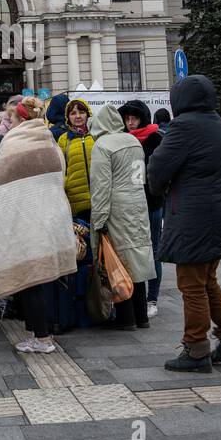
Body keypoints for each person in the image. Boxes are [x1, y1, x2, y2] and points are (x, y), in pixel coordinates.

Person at [148, 76, 221, 374]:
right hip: (217, 214)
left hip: (193, 218)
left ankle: (195, 347)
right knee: (207, 280)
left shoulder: (184, 126)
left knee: (191, 285)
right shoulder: (214, 123)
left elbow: (158, 169)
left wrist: (158, 185)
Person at [0, 96, 75, 355]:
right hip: (48, 217)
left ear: (21, 119)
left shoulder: (15, 142)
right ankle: (38, 332)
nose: (8, 124)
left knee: (30, 281)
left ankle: (42, 339)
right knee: (41, 279)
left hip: (24, 220)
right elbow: (59, 175)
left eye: (10, 119)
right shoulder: (48, 139)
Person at [88, 103, 156, 329]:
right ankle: (142, 316)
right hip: (138, 203)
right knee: (138, 258)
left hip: (116, 207)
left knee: (118, 262)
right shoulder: (133, 141)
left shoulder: (102, 145)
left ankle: (126, 318)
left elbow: (101, 188)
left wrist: (98, 222)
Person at [119, 99, 164, 317]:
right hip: (130, 204)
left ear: (142, 118)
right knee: (134, 250)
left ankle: (152, 298)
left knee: (153, 249)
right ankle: (135, 296)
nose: (130, 123)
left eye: (133, 118)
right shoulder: (122, 140)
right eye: (127, 118)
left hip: (152, 202)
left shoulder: (155, 138)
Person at [58, 98, 94, 219]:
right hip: (76, 202)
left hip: (100, 200)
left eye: (82, 112)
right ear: (68, 117)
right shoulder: (63, 140)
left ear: (88, 114)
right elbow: (61, 169)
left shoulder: (96, 135)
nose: (78, 116)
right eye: (73, 113)